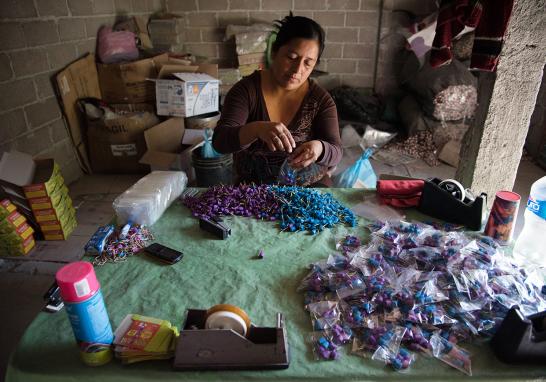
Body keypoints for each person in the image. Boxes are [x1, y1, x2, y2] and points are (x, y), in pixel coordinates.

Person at [212, 14, 342, 186]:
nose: (297, 70)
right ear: (274, 51)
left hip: (308, 191)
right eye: (292, 58)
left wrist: (319, 148)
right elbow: (220, 142)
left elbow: (336, 151)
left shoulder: (320, 100)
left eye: (308, 63)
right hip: (252, 191)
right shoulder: (246, 91)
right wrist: (256, 129)